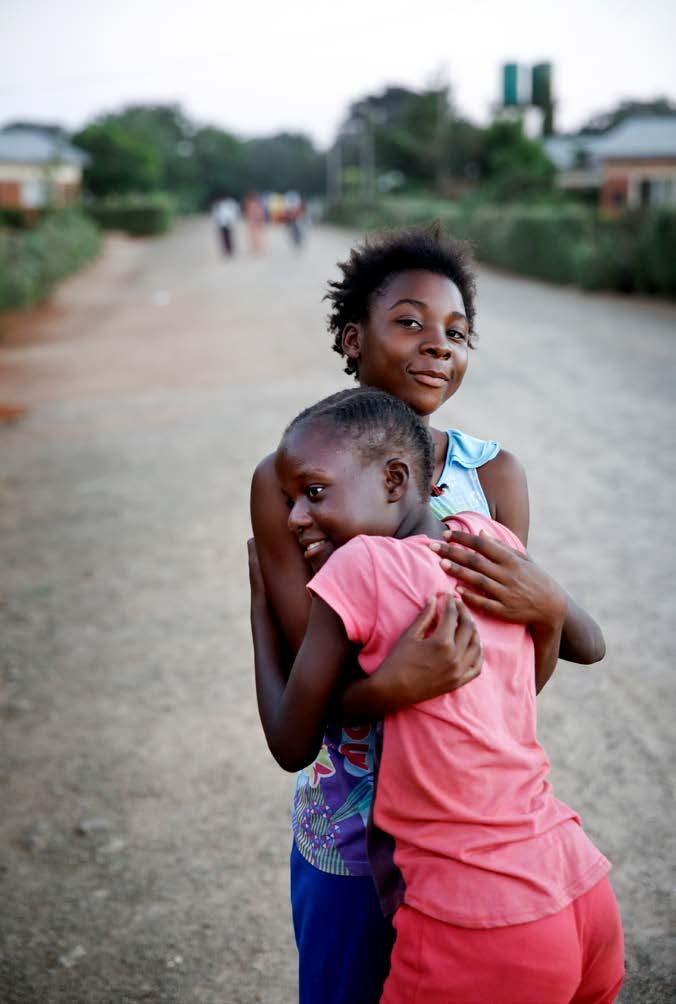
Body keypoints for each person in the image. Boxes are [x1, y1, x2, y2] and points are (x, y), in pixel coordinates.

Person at [250, 224, 606, 1003]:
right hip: (349, 827)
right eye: (409, 321)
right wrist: (394, 686)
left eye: (458, 331)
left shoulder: (494, 477)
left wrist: (547, 610)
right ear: (353, 338)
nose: (438, 344)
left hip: (471, 837)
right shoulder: (298, 477)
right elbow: (308, 701)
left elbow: (514, 677)